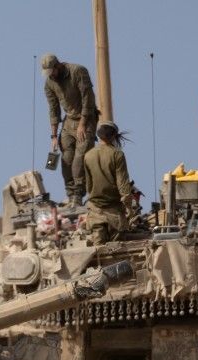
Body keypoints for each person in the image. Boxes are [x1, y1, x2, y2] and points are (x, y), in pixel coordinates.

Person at [41, 52, 98, 207]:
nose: (50, 75)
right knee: (66, 159)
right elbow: (53, 109)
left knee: (79, 159)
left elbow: (88, 98)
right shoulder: (49, 83)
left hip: (86, 118)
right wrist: (53, 135)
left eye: (52, 71)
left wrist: (83, 124)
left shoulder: (78, 71)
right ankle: (70, 193)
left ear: (57, 66)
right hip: (68, 122)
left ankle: (79, 194)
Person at [83, 122, 137, 243]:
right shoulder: (117, 154)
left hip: (95, 209)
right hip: (114, 210)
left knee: (98, 249)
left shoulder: (88, 155)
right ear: (113, 137)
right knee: (116, 248)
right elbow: (122, 183)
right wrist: (129, 207)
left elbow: (89, 184)